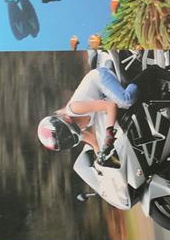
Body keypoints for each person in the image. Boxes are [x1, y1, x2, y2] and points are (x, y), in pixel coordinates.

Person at [37, 35, 139, 166]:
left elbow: (110, 106)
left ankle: (150, 73)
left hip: (100, 78)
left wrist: (109, 134)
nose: (68, 139)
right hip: (101, 95)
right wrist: (100, 157)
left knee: (125, 101)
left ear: (63, 125)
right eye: (66, 142)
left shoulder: (74, 109)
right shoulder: (76, 131)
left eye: (65, 138)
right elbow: (93, 141)